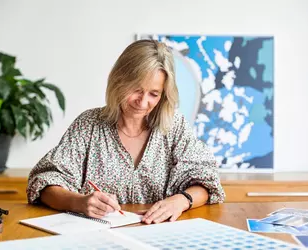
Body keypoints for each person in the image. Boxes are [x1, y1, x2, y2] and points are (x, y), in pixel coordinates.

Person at [27, 39, 225, 224]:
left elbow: (207, 182)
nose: (143, 102)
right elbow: (45, 183)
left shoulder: (174, 126)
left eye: (154, 94)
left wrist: (181, 200)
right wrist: (78, 202)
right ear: (119, 82)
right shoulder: (88, 125)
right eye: (136, 90)